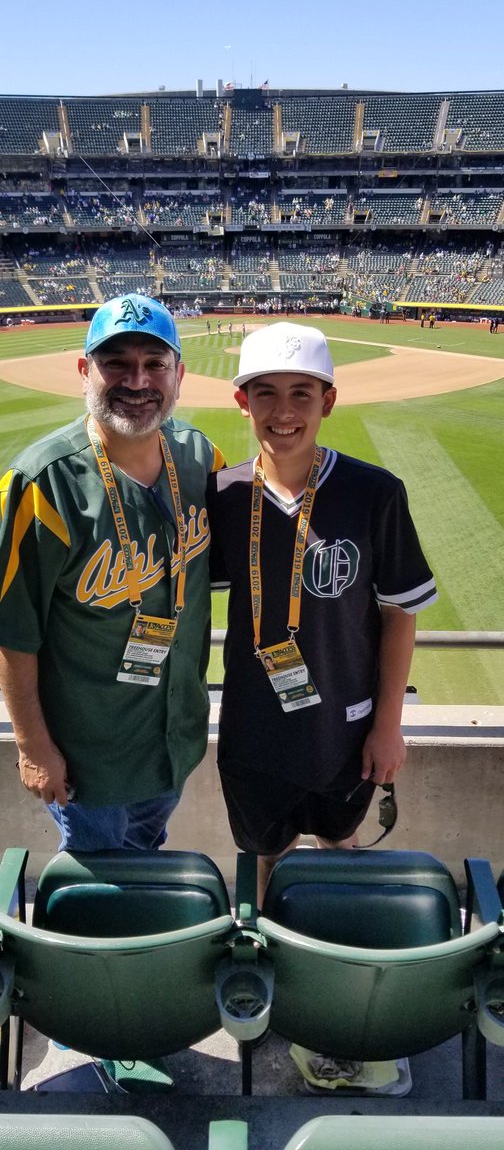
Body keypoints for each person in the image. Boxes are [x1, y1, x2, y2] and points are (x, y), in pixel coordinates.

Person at [0, 293, 225, 852]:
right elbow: (11, 629)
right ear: (84, 370)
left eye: (155, 363)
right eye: (116, 362)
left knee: (148, 851)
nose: (137, 381)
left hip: (174, 739)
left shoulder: (200, 457)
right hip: (89, 759)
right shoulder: (40, 484)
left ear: (179, 375)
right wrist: (32, 747)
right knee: (100, 885)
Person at [206, 323, 437, 903]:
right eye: (265, 393)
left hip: (346, 724)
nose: (283, 412)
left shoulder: (374, 492)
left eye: (302, 394)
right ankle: (272, 946)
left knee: (340, 846)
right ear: (242, 401)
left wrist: (388, 725)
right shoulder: (223, 496)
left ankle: (335, 939)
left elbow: (400, 613)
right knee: (267, 856)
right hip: (254, 726)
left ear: (328, 402)